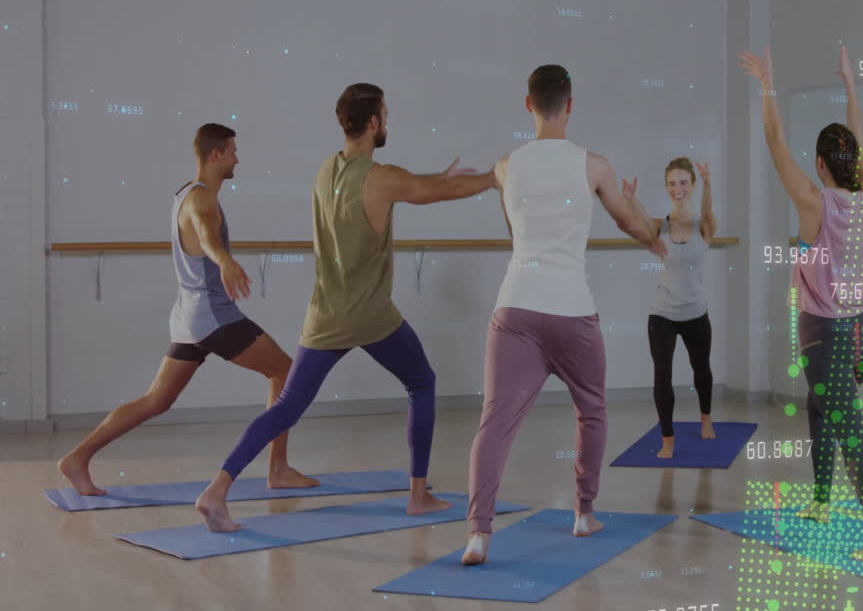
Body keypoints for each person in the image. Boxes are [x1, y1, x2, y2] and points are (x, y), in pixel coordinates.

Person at [195, 84, 495, 532]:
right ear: (373, 122)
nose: (387, 121)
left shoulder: (326, 171)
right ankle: (418, 495)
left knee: (287, 407)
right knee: (422, 382)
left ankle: (216, 490)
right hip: (370, 315)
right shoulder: (382, 177)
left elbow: (419, 185)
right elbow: (438, 189)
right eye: (386, 115)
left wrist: (437, 178)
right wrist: (496, 177)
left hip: (326, 314)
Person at [461, 65, 667, 565]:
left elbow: (516, 234)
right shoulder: (595, 166)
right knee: (592, 410)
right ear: (570, 106)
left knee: (495, 421)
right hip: (572, 311)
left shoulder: (506, 166)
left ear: (526, 104)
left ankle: (478, 535)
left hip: (515, 308)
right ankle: (583, 513)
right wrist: (656, 241)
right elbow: (627, 222)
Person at [58, 124, 316, 496]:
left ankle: (77, 458)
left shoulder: (185, 194)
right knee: (286, 373)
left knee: (156, 400)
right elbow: (206, 235)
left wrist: (222, 259)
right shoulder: (201, 200)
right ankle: (278, 469)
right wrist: (225, 261)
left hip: (190, 316)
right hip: (213, 316)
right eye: (232, 152)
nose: (236, 158)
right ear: (215, 155)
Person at [740, 45, 863, 564]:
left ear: (822, 163)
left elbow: (772, 139)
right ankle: (823, 502)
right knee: (819, 409)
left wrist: (766, 81)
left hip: (823, 335)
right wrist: (852, 87)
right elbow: (859, 142)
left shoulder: (814, 201)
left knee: (849, 433)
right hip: (861, 334)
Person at [621, 157, 717, 458]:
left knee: (701, 370)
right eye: (672, 184)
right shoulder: (660, 225)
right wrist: (631, 198)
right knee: (662, 374)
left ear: (692, 185)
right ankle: (667, 438)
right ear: (666, 187)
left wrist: (709, 183)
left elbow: (708, 211)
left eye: (684, 183)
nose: (678, 189)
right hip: (662, 312)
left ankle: (706, 419)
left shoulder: (705, 226)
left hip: (695, 312)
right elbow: (640, 218)